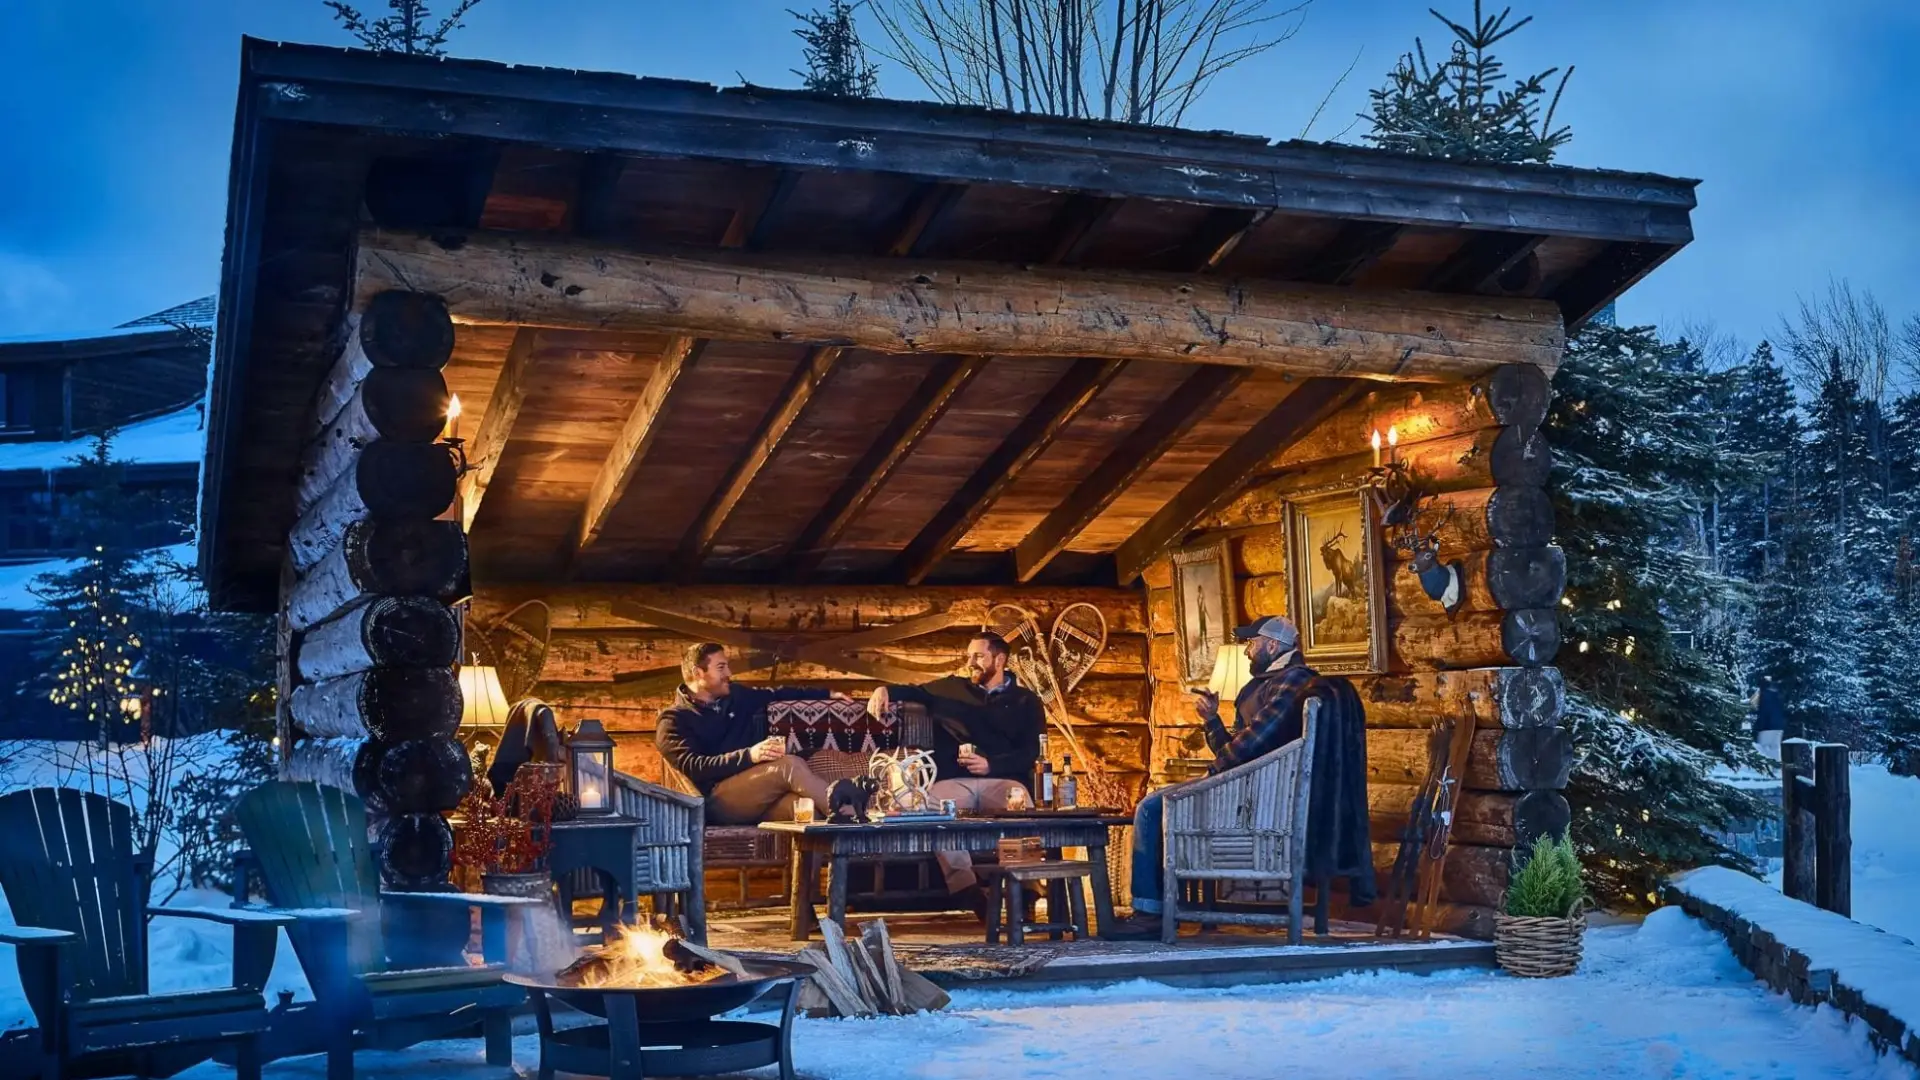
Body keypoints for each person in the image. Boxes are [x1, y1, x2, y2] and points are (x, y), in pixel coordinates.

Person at [1105, 615, 1318, 939]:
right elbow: (1230, 749)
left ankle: (1149, 915)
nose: (1248, 651)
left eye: (1252, 642)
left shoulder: (1294, 682)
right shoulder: (1257, 685)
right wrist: (1211, 719)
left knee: (1150, 809)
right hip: (1239, 788)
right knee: (1154, 804)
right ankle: (1157, 908)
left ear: (1273, 645)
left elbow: (1251, 746)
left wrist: (1211, 776)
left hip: (1260, 799)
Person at [868, 631, 1043, 911]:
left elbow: (1031, 752)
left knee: (1020, 806)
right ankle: (966, 890)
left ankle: (1026, 889)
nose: (970, 662)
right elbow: (914, 690)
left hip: (1002, 780)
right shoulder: (950, 688)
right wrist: (883, 690)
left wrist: (992, 765)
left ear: (999, 660)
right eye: (969, 656)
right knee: (928, 804)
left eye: (978, 656)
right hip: (955, 781)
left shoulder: (1026, 701)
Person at [654, 643, 849, 825]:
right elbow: (694, 766)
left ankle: (840, 859)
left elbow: (776, 694)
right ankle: (857, 822)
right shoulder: (673, 720)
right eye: (721, 667)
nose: (729, 673)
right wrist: (750, 755)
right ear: (698, 673)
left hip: (756, 793)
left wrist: (827, 694)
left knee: (804, 808)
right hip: (717, 801)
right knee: (789, 766)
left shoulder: (736, 696)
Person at [1752, 675, 1786, 762]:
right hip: (1779, 725)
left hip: (1766, 726)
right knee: (1775, 748)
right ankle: (1777, 767)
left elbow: (1753, 705)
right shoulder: (1778, 695)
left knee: (1763, 748)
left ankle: (1767, 768)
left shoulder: (1762, 695)